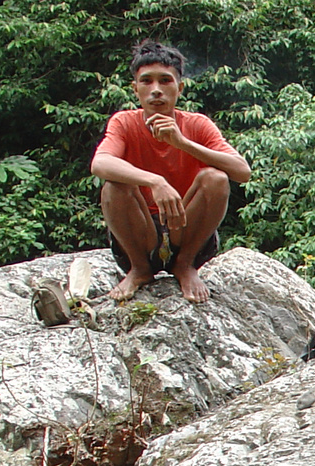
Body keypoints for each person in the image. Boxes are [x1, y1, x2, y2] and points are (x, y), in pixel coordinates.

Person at [92, 40, 252, 303]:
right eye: (147, 81)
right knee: (114, 185)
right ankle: (139, 269)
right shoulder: (124, 122)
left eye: (165, 81)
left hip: (185, 231)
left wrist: (182, 143)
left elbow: (242, 172)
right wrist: (155, 181)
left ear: (180, 87)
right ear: (135, 89)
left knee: (215, 178)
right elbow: (100, 164)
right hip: (140, 234)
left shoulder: (198, 125)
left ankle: (185, 265)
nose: (156, 90)